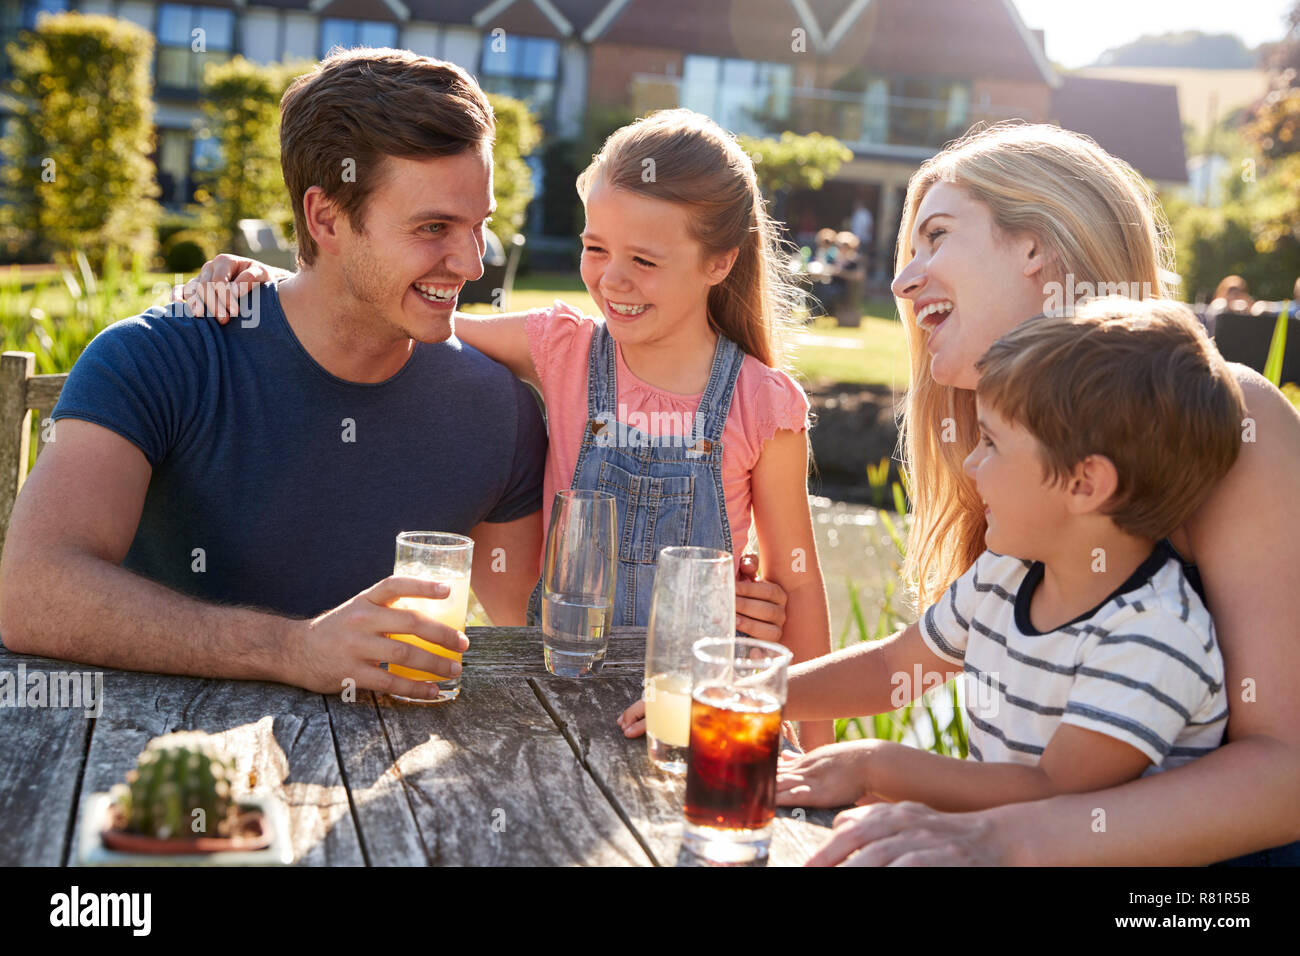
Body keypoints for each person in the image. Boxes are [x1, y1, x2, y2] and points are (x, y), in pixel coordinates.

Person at [180, 109, 835, 749]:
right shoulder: (563, 348)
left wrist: (818, 750)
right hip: (562, 702)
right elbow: (404, 315)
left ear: (719, 262)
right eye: (596, 247)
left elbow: (798, 582)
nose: (612, 279)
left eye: (645, 260)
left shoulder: (763, 402)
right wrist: (280, 283)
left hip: (693, 714)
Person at [794, 121, 1300, 867]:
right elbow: (900, 667)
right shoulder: (1008, 464)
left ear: (1035, 248)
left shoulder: (1236, 420)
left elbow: (1284, 773)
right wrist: (744, 685)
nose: (902, 282)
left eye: (935, 236)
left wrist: (998, 839)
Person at [0, 49, 550, 701]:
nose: (470, 262)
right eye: (434, 227)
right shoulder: (162, 359)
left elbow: (537, 635)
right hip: (147, 771)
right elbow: (33, 591)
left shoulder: (496, 408)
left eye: (478, 226)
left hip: (384, 789)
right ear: (326, 218)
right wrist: (292, 649)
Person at [777, 298, 1242, 815]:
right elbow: (893, 669)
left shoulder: (1154, 633)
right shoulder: (1008, 571)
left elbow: (1054, 793)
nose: (972, 463)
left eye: (992, 442)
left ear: (1085, 483)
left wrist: (872, 766)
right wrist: (752, 693)